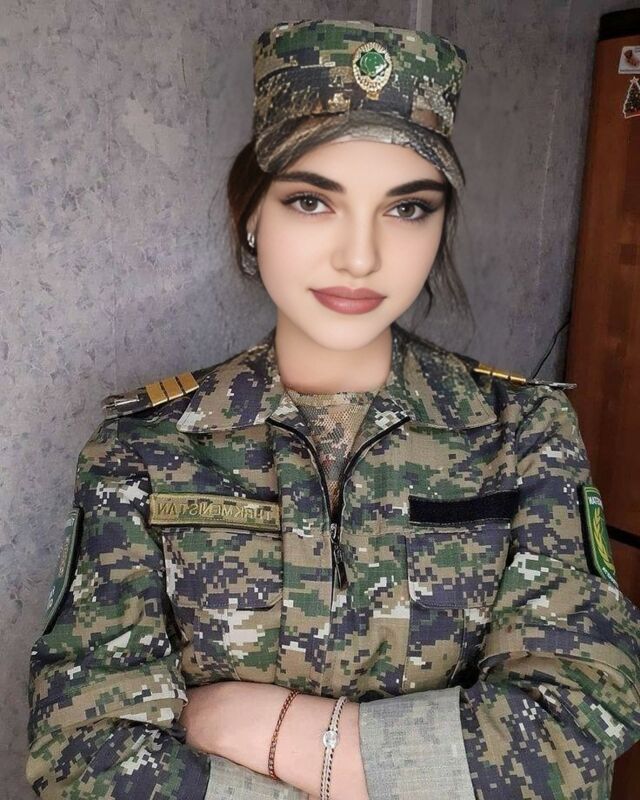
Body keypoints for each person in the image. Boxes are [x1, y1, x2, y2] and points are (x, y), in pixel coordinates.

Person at [25, 18, 640, 800]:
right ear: (252, 212)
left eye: (407, 208)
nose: (360, 255)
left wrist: (267, 728)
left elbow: (573, 729)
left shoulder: (520, 434)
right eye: (312, 201)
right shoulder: (144, 449)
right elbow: (83, 756)